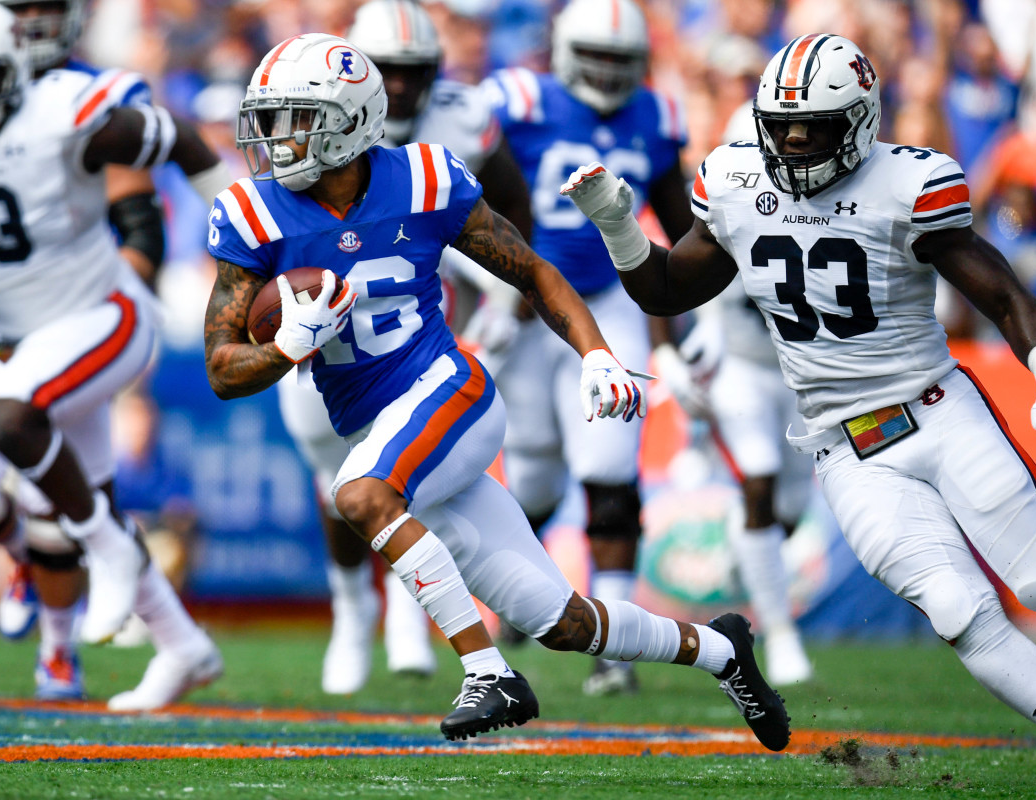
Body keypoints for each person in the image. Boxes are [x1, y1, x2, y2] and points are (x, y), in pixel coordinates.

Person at [562, 32, 1036, 788]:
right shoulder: (737, 180)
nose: (798, 141)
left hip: (938, 411)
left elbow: (999, 288)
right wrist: (620, 226)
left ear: (864, 121)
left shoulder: (908, 184)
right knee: (953, 608)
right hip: (845, 449)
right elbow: (668, 291)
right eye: (784, 126)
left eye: (818, 125)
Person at [204, 32, 789, 748]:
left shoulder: (422, 178)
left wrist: (596, 354)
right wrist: (286, 349)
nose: (273, 137)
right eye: (267, 118)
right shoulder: (252, 211)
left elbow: (533, 271)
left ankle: (488, 672)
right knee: (564, 622)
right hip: (381, 428)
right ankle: (725, 650)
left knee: (358, 494)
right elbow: (222, 369)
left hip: (449, 389)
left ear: (351, 120)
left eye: (294, 118)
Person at [0, 0, 228, 708]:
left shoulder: (70, 106)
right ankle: (183, 646)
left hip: (104, 313)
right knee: (82, 494)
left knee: (11, 418)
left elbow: (183, 143)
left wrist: (248, 242)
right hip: (20, 336)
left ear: (12, 73)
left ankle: (106, 553)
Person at [270, 0, 537, 696]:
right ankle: (354, 611)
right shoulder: (298, 129)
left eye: (414, 70)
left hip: (418, 321)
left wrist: (510, 302)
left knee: (397, 480)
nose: (403, 86)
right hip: (324, 335)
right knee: (341, 490)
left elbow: (513, 222)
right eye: (388, 70)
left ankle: (411, 620)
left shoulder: (456, 129)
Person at [480, 0, 693, 696]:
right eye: (595, 58)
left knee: (610, 464)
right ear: (565, 53)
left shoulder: (657, 117)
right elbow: (463, 189)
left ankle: (618, 645)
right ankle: (523, 597)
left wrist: (690, 330)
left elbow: (685, 225)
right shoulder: (516, 99)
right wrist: (489, 292)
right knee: (536, 474)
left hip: (612, 299)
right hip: (529, 297)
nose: (606, 72)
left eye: (619, 61)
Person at [648, 101, 817, 688]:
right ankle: (782, 635)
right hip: (744, 366)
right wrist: (674, 349)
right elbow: (666, 275)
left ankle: (754, 573)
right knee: (760, 478)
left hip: (806, 372)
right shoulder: (722, 203)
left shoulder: (834, 203)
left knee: (789, 508)